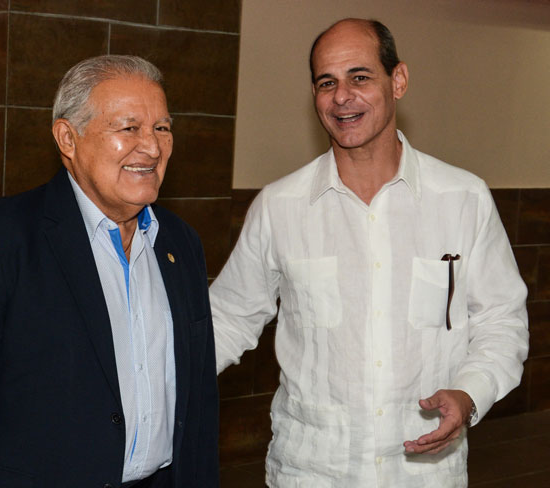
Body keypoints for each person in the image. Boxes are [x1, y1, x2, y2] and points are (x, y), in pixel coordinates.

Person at [210, 18, 528, 487]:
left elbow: (501, 321)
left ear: (397, 81)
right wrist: (145, 384)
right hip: (313, 472)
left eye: (359, 77)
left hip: (424, 474)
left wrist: (469, 394)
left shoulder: (463, 199)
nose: (342, 96)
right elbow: (227, 318)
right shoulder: (280, 207)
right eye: (326, 82)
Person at [0, 55, 219, 488]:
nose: (151, 147)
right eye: (129, 127)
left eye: (162, 128)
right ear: (68, 138)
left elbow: (199, 403)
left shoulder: (181, 244)